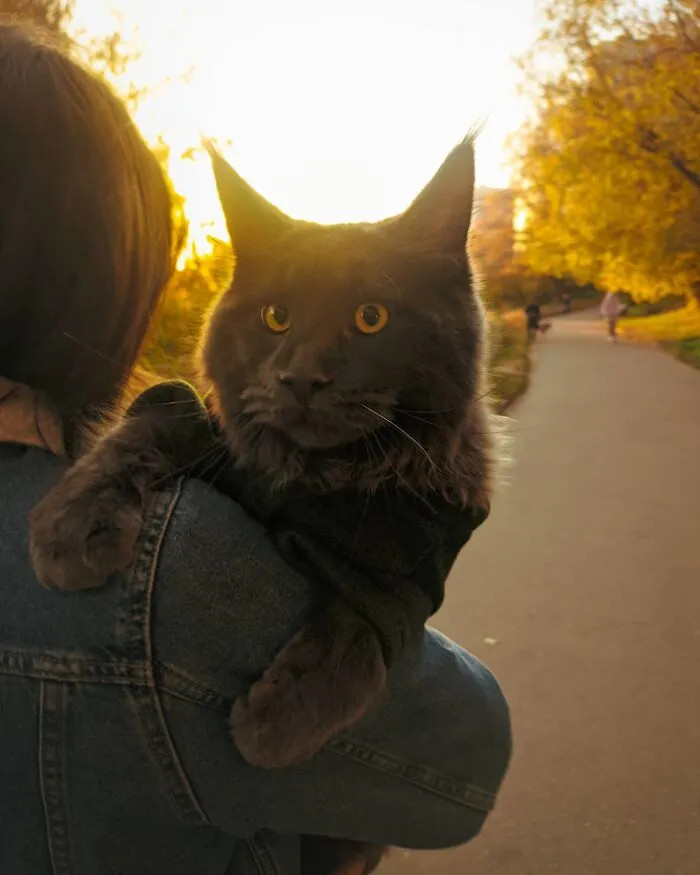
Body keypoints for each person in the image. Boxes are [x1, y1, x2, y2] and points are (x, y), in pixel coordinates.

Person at [0, 22, 511, 875]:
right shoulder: (172, 570)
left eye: (368, 318)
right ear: (113, 267)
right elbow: (467, 765)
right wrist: (381, 616)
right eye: (276, 317)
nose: (307, 370)